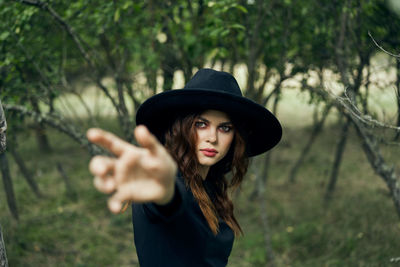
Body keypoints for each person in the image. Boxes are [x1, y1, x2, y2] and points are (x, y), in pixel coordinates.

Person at [87, 69, 282, 267]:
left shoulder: (211, 184)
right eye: (201, 124)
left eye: (225, 128)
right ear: (182, 127)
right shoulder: (170, 181)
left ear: (235, 137)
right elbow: (172, 203)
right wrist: (165, 193)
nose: (212, 138)